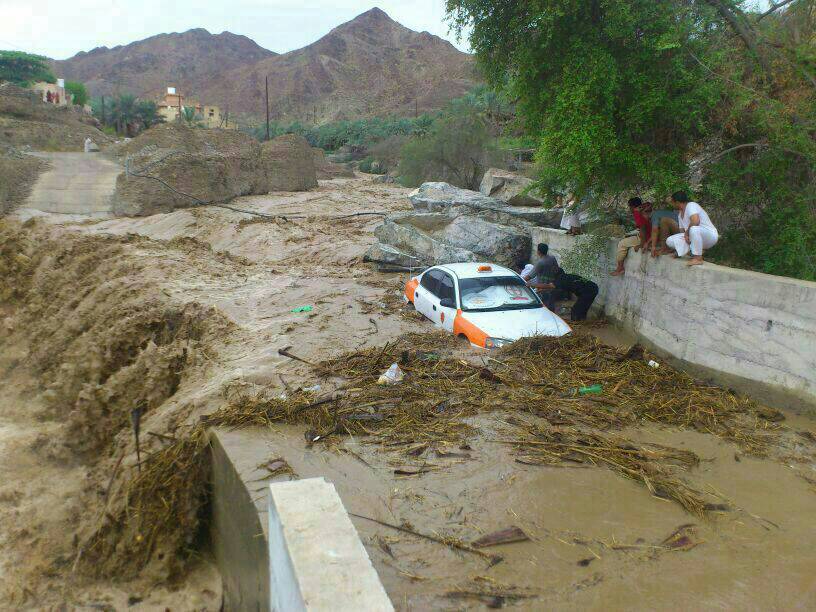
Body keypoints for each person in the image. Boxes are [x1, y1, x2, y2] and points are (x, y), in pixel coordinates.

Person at [665, 191, 719, 266]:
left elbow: (695, 221)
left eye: (672, 203)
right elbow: (682, 233)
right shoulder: (680, 215)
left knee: (693, 229)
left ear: (677, 202)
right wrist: (680, 249)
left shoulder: (691, 205)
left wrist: (687, 234)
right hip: (694, 237)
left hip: (710, 236)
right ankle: (688, 251)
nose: (672, 205)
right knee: (669, 240)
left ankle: (698, 258)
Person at [611, 197, 650, 276]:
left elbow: (643, 229)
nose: (629, 209)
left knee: (622, 243)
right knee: (627, 238)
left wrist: (641, 244)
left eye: (629, 206)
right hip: (648, 235)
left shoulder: (637, 213)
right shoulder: (643, 210)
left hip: (645, 237)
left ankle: (620, 268)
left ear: (632, 206)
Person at [521, 243, 560, 310]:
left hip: (542, 288)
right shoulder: (552, 258)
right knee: (551, 305)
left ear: (538, 252)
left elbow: (529, 276)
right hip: (552, 286)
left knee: (544, 307)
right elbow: (557, 270)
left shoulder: (541, 262)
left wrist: (519, 281)